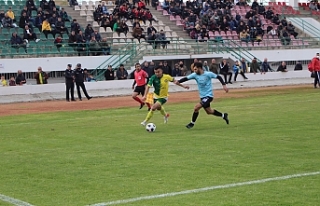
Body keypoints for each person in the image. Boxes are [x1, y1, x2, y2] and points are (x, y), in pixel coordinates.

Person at [178, 62, 229, 129]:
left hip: (209, 96)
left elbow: (219, 77)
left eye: (195, 69)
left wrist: (224, 85)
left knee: (196, 107)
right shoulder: (195, 75)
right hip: (202, 97)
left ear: (200, 68)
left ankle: (192, 123)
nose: (194, 71)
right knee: (209, 111)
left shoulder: (208, 74)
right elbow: (186, 78)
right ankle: (223, 115)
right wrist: (178, 82)